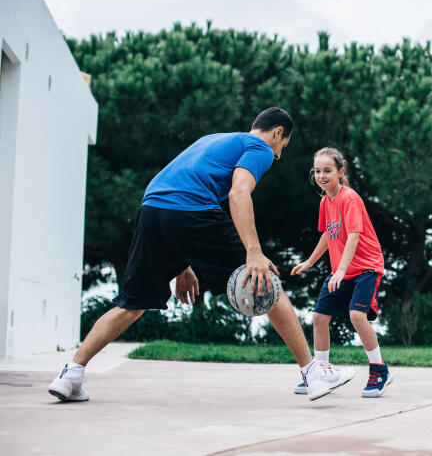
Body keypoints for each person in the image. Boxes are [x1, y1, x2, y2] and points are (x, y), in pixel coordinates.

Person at [49, 108, 352, 402]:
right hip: (189, 209)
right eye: (282, 146)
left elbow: (182, 187)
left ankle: (70, 374)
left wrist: (182, 264)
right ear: (278, 133)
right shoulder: (258, 147)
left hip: (152, 210)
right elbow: (238, 193)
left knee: (131, 304)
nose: (279, 154)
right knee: (266, 282)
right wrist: (254, 252)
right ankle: (313, 373)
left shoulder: (213, 140)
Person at [291, 147, 392, 398]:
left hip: (366, 267)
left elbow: (354, 236)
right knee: (319, 317)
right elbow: (328, 234)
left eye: (328, 170)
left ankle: (380, 370)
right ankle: (320, 373)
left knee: (357, 315)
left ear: (341, 172)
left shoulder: (349, 198)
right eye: (317, 171)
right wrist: (310, 262)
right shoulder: (326, 201)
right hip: (342, 270)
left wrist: (342, 270)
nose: (321, 176)